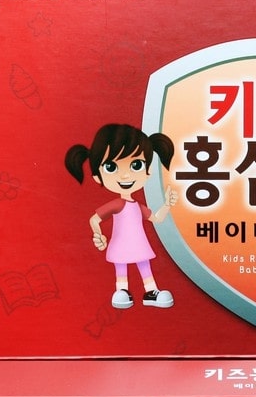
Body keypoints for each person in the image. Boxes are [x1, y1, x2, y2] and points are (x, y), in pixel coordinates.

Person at [65, 123, 178, 310]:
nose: (125, 176)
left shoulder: (137, 206)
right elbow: (94, 219)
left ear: (148, 171)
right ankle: (122, 291)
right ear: (97, 176)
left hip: (139, 242)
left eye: (136, 165)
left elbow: (157, 219)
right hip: (120, 243)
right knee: (121, 266)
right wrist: (98, 235)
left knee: (144, 265)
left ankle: (151, 292)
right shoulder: (117, 204)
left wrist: (167, 205)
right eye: (111, 167)